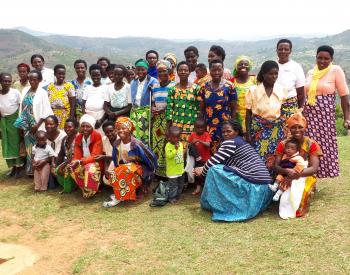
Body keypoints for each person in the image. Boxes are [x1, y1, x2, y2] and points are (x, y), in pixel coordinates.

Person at [194, 120, 272, 222]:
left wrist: (202, 172)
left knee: (214, 170)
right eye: (223, 132)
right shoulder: (240, 141)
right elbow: (217, 161)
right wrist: (204, 168)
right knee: (216, 168)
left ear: (236, 132)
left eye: (228, 131)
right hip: (264, 189)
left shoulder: (230, 143)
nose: (225, 134)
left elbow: (212, 162)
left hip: (255, 185)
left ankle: (216, 204)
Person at [303, 45, 350, 178]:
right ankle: (309, 177)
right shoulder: (311, 72)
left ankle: (321, 173)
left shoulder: (335, 70)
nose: (322, 61)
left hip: (325, 117)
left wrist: (347, 117)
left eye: (326, 58)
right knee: (308, 144)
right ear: (316, 58)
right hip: (309, 115)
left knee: (324, 145)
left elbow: (344, 95)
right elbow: (304, 93)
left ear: (331, 59)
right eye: (319, 58)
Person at [274, 112, 322, 219]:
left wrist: (295, 175)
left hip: (305, 175)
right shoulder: (283, 144)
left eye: (300, 127)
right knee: (286, 199)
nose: (297, 130)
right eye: (293, 127)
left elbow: (314, 168)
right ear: (289, 129)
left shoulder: (312, 144)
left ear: (305, 127)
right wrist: (287, 172)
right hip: (286, 175)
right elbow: (276, 166)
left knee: (299, 207)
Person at [103, 117, 157, 207]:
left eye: (123, 128)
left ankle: (140, 188)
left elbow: (151, 161)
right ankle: (126, 192)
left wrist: (148, 179)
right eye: (118, 129)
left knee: (125, 170)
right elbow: (116, 162)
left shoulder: (136, 144)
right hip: (127, 169)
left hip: (142, 171)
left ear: (129, 129)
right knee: (116, 172)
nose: (121, 131)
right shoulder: (116, 144)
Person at [245, 60, 288, 171]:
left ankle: (273, 183)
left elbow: (283, 112)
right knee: (258, 157)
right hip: (258, 130)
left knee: (275, 157)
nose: (274, 76)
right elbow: (248, 115)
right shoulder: (253, 91)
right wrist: (248, 134)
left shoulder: (281, 89)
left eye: (276, 74)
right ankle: (259, 182)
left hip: (276, 131)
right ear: (263, 74)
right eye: (270, 74)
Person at [14, 70, 53, 175]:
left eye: (34, 79)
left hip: (37, 125)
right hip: (27, 125)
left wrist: (37, 125)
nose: (32, 82)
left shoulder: (43, 92)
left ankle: (40, 170)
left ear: (39, 80)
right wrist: (21, 125)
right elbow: (22, 108)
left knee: (39, 148)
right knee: (29, 149)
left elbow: (46, 110)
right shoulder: (25, 90)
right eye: (30, 79)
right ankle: (31, 170)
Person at [199, 59, 237, 152]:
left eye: (219, 70)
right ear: (209, 71)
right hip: (209, 126)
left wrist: (233, 126)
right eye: (213, 70)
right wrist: (201, 126)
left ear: (223, 70)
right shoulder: (204, 87)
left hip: (225, 127)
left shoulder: (230, 86)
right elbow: (201, 109)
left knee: (225, 151)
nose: (216, 72)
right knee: (209, 151)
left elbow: (234, 108)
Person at [166, 61, 201, 148]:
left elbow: (199, 108)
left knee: (190, 151)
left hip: (191, 126)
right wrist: (168, 128)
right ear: (177, 72)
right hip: (176, 127)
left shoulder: (196, 88)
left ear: (189, 72)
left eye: (186, 70)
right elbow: (169, 109)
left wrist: (197, 127)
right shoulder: (172, 89)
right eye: (180, 70)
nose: (183, 72)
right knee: (177, 150)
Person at [151, 60, 176, 177]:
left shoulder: (173, 86)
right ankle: (157, 172)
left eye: (164, 71)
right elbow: (153, 102)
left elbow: (175, 104)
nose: (161, 73)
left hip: (168, 119)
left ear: (169, 71)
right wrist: (153, 109)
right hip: (157, 120)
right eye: (159, 71)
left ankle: (167, 173)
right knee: (156, 144)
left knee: (167, 143)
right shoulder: (155, 87)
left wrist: (163, 110)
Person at [69, 114, 103, 198]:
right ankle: (83, 188)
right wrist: (75, 161)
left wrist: (80, 161)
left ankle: (90, 191)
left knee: (89, 168)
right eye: (83, 126)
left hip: (95, 162)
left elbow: (95, 155)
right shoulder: (79, 137)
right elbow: (76, 154)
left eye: (88, 126)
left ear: (92, 127)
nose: (85, 129)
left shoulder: (97, 135)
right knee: (70, 167)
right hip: (82, 161)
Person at [130, 59, 159, 145]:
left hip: (146, 112)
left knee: (145, 136)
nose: (140, 71)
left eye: (143, 69)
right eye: (138, 69)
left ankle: (145, 154)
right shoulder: (133, 82)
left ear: (147, 70)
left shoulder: (153, 81)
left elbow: (154, 99)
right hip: (135, 112)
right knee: (134, 135)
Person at [0, 73, 24, 177]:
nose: (7, 83)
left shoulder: (15, 92)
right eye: (4, 81)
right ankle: (13, 168)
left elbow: (21, 108)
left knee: (15, 144)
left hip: (15, 121)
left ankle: (19, 168)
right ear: (0, 82)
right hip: (4, 122)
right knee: (7, 145)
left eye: (9, 81)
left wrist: (20, 124)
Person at [275, 39, 306, 118]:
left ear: (290, 51)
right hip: (273, 105)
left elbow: (301, 93)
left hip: (290, 106)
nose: (283, 51)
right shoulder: (273, 65)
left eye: (286, 49)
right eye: (280, 49)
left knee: (289, 129)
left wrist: (299, 111)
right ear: (276, 50)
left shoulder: (296, 67)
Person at [231, 56, 256, 132]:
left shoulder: (255, 80)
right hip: (238, 116)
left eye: (246, 64)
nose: (243, 66)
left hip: (253, 115)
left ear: (250, 66)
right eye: (240, 64)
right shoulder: (232, 82)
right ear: (236, 67)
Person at [47, 64, 76, 129]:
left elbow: (73, 105)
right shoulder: (50, 86)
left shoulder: (69, 86)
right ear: (55, 74)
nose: (61, 76)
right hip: (52, 116)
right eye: (59, 74)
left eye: (63, 74)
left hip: (65, 116)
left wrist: (70, 119)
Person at [187, 118, 211, 195]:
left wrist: (199, 141)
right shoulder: (193, 134)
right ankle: (198, 189)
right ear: (195, 127)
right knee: (197, 174)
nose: (200, 129)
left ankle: (207, 190)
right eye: (198, 127)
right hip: (197, 159)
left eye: (202, 128)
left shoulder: (206, 134)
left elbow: (208, 145)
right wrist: (192, 143)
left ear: (205, 128)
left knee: (205, 174)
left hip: (205, 159)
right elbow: (188, 146)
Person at [55, 118, 79, 193]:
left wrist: (64, 164)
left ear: (76, 128)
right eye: (65, 127)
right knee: (57, 169)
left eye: (70, 127)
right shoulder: (65, 139)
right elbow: (61, 154)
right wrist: (55, 166)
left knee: (67, 169)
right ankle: (69, 186)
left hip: (78, 162)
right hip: (68, 162)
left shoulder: (79, 138)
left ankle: (69, 189)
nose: (67, 129)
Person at [82, 64, 107, 131]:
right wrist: (86, 119)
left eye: (98, 75)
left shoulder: (106, 88)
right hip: (88, 118)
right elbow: (83, 104)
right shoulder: (87, 88)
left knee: (100, 138)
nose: (95, 77)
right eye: (93, 75)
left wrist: (100, 121)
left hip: (100, 118)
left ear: (101, 75)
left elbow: (107, 106)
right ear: (90, 76)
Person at [165, 126, 185, 203]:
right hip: (172, 171)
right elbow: (169, 156)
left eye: (178, 137)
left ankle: (178, 196)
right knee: (173, 186)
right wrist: (175, 150)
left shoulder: (180, 143)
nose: (176, 139)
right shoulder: (168, 146)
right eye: (174, 137)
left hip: (180, 170)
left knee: (180, 185)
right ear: (169, 137)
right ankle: (172, 198)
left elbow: (181, 154)